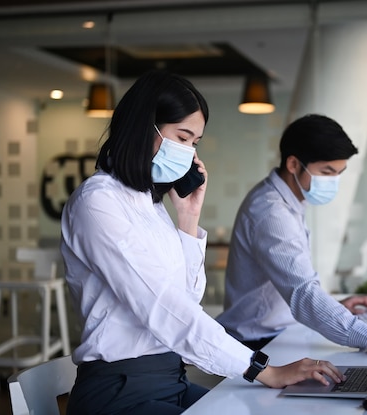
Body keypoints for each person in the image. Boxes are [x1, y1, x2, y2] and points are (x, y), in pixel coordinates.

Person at [60, 70, 344, 415]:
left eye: (194, 142)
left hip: (171, 379)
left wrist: (188, 220)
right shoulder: (97, 202)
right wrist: (262, 370)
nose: (188, 152)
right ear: (141, 127)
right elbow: (164, 309)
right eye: (182, 136)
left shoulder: (151, 206)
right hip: (121, 392)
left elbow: (187, 300)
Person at [216, 114, 367, 354]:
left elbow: (289, 285)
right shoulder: (271, 213)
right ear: (293, 164)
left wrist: (334, 308)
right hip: (258, 343)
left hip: (279, 333)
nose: (334, 181)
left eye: (339, 172)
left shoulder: (288, 200)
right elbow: (303, 292)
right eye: (327, 172)